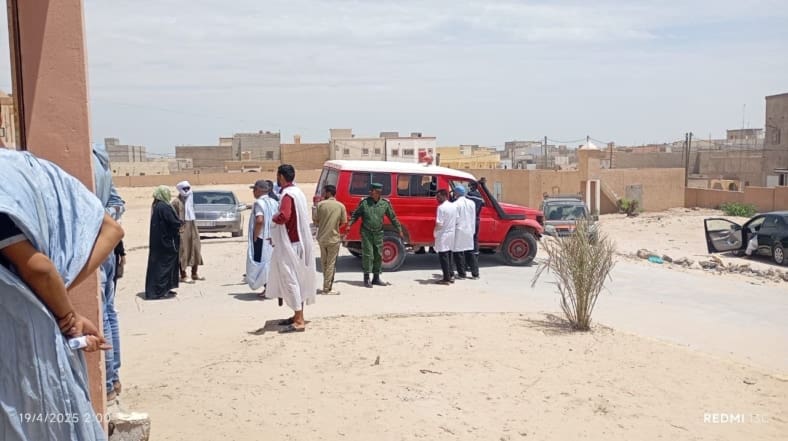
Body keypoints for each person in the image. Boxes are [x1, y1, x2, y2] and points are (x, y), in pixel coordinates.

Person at [0, 148, 123, 440]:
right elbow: (112, 229)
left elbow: (39, 269)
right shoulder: (39, 170)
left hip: (20, 341)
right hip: (40, 326)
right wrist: (58, 296)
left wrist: (64, 311)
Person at [92, 144, 126, 402]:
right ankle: (113, 378)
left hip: (93, 245)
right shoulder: (99, 157)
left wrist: (97, 220)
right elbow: (117, 203)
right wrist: (107, 217)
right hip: (107, 246)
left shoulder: (83, 157)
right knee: (108, 311)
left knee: (101, 312)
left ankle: (106, 382)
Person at [266, 165, 317, 333]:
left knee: (291, 280)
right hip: (300, 243)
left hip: (291, 244)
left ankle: (299, 319)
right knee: (298, 279)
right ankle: (297, 314)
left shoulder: (287, 195)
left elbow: (284, 216)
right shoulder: (298, 192)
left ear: (281, 177)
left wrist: (274, 218)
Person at [346, 182, 403, 288]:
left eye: (372, 191)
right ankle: (366, 278)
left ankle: (376, 278)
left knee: (378, 255)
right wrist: (349, 225)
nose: (370, 192)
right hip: (366, 232)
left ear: (378, 192)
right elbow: (355, 215)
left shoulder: (384, 204)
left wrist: (399, 229)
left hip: (378, 233)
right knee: (368, 255)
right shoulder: (364, 203)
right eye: (371, 191)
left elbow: (393, 217)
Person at [145, 186, 182, 299]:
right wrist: (180, 223)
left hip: (159, 243)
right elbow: (173, 222)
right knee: (164, 267)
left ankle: (164, 288)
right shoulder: (164, 207)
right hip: (166, 243)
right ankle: (159, 291)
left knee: (160, 266)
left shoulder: (157, 206)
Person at [246, 180, 279, 297]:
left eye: (254, 190)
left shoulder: (259, 203)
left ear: (260, 190)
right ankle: (271, 288)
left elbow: (260, 220)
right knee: (270, 262)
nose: (253, 192)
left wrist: (255, 235)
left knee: (261, 263)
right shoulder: (274, 202)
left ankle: (267, 289)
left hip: (261, 238)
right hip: (273, 237)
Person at [314, 184, 347, 295]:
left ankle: (326, 285)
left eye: (324, 192)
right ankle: (327, 288)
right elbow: (343, 222)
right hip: (334, 238)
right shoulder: (340, 206)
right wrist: (335, 226)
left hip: (322, 237)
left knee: (324, 262)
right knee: (331, 263)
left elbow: (315, 221)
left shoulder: (320, 205)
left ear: (328, 193)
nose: (323, 194)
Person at [172, 181, 204, 282]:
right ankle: (183, 275)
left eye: (187, 188)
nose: (186, 191)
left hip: (192, 227)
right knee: (183, 251)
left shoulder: (191, 199)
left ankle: (194, 273)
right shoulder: (176, 202)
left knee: (196, 248)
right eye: (184, 189)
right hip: (182, 229)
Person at [451, 185, 478, 280]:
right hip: (470, 229)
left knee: (458, 253)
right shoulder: (472, 203)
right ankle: (475, 274)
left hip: (459, 230)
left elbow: (455, 218)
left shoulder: (455, 204)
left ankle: (462, 274)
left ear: (457, 193)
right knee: (470, 251)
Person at [434, 189, 458, 285]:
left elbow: (439, 223)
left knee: (443, 256)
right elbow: (457, 219)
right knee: (449, 254)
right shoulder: (453, 206)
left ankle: (446, 278)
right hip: (451, 233)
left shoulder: (441, 208)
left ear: (444, 196)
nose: (437, 198)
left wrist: (435, 231)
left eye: (438, 196)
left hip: (443, 234)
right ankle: (451, 275)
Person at [466, 181, 486, 260]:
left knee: (469, 239)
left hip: (470, 220)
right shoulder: (480, 196)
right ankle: (475, 258)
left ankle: (468, 259)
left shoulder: (469, 195)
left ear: (471, 186)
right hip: (477, 220)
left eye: (469, 185)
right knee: (475, 239)